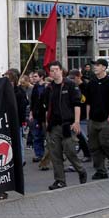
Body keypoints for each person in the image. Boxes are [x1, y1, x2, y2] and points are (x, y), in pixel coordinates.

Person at [44, 61, 87, 190]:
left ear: (61, 71)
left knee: (70, 152)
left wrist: (77, 122)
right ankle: (60, 180)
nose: (54, 72)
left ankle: (81, 170)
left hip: (68, 125)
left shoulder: (70, 85)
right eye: (52, 70)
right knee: (55, 154)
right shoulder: (49, 88)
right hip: (53, 126)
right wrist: (47, 123)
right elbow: (47, 108)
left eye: (56, 69)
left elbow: (77, 104)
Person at [85, 59, 109, 180]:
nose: (95, 67)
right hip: (93, 120)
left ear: (104, 67)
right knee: (94, 147)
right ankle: (100, 170)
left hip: (105, 120)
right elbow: (88, 102)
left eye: (98, 65)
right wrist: (88, 119)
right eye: (95, 65)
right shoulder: (92, 83)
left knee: (105, 145)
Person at [29, 69, 47, 163]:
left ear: (41, 77)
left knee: (47, 136)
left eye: (36, 76)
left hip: (44, 115)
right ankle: (39, 154)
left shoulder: (46, 87)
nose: (34, 78)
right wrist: (31, 113)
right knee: (36, 135)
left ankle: (49, 154)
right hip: (36, 114)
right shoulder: (35, 88)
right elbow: (33, 101)